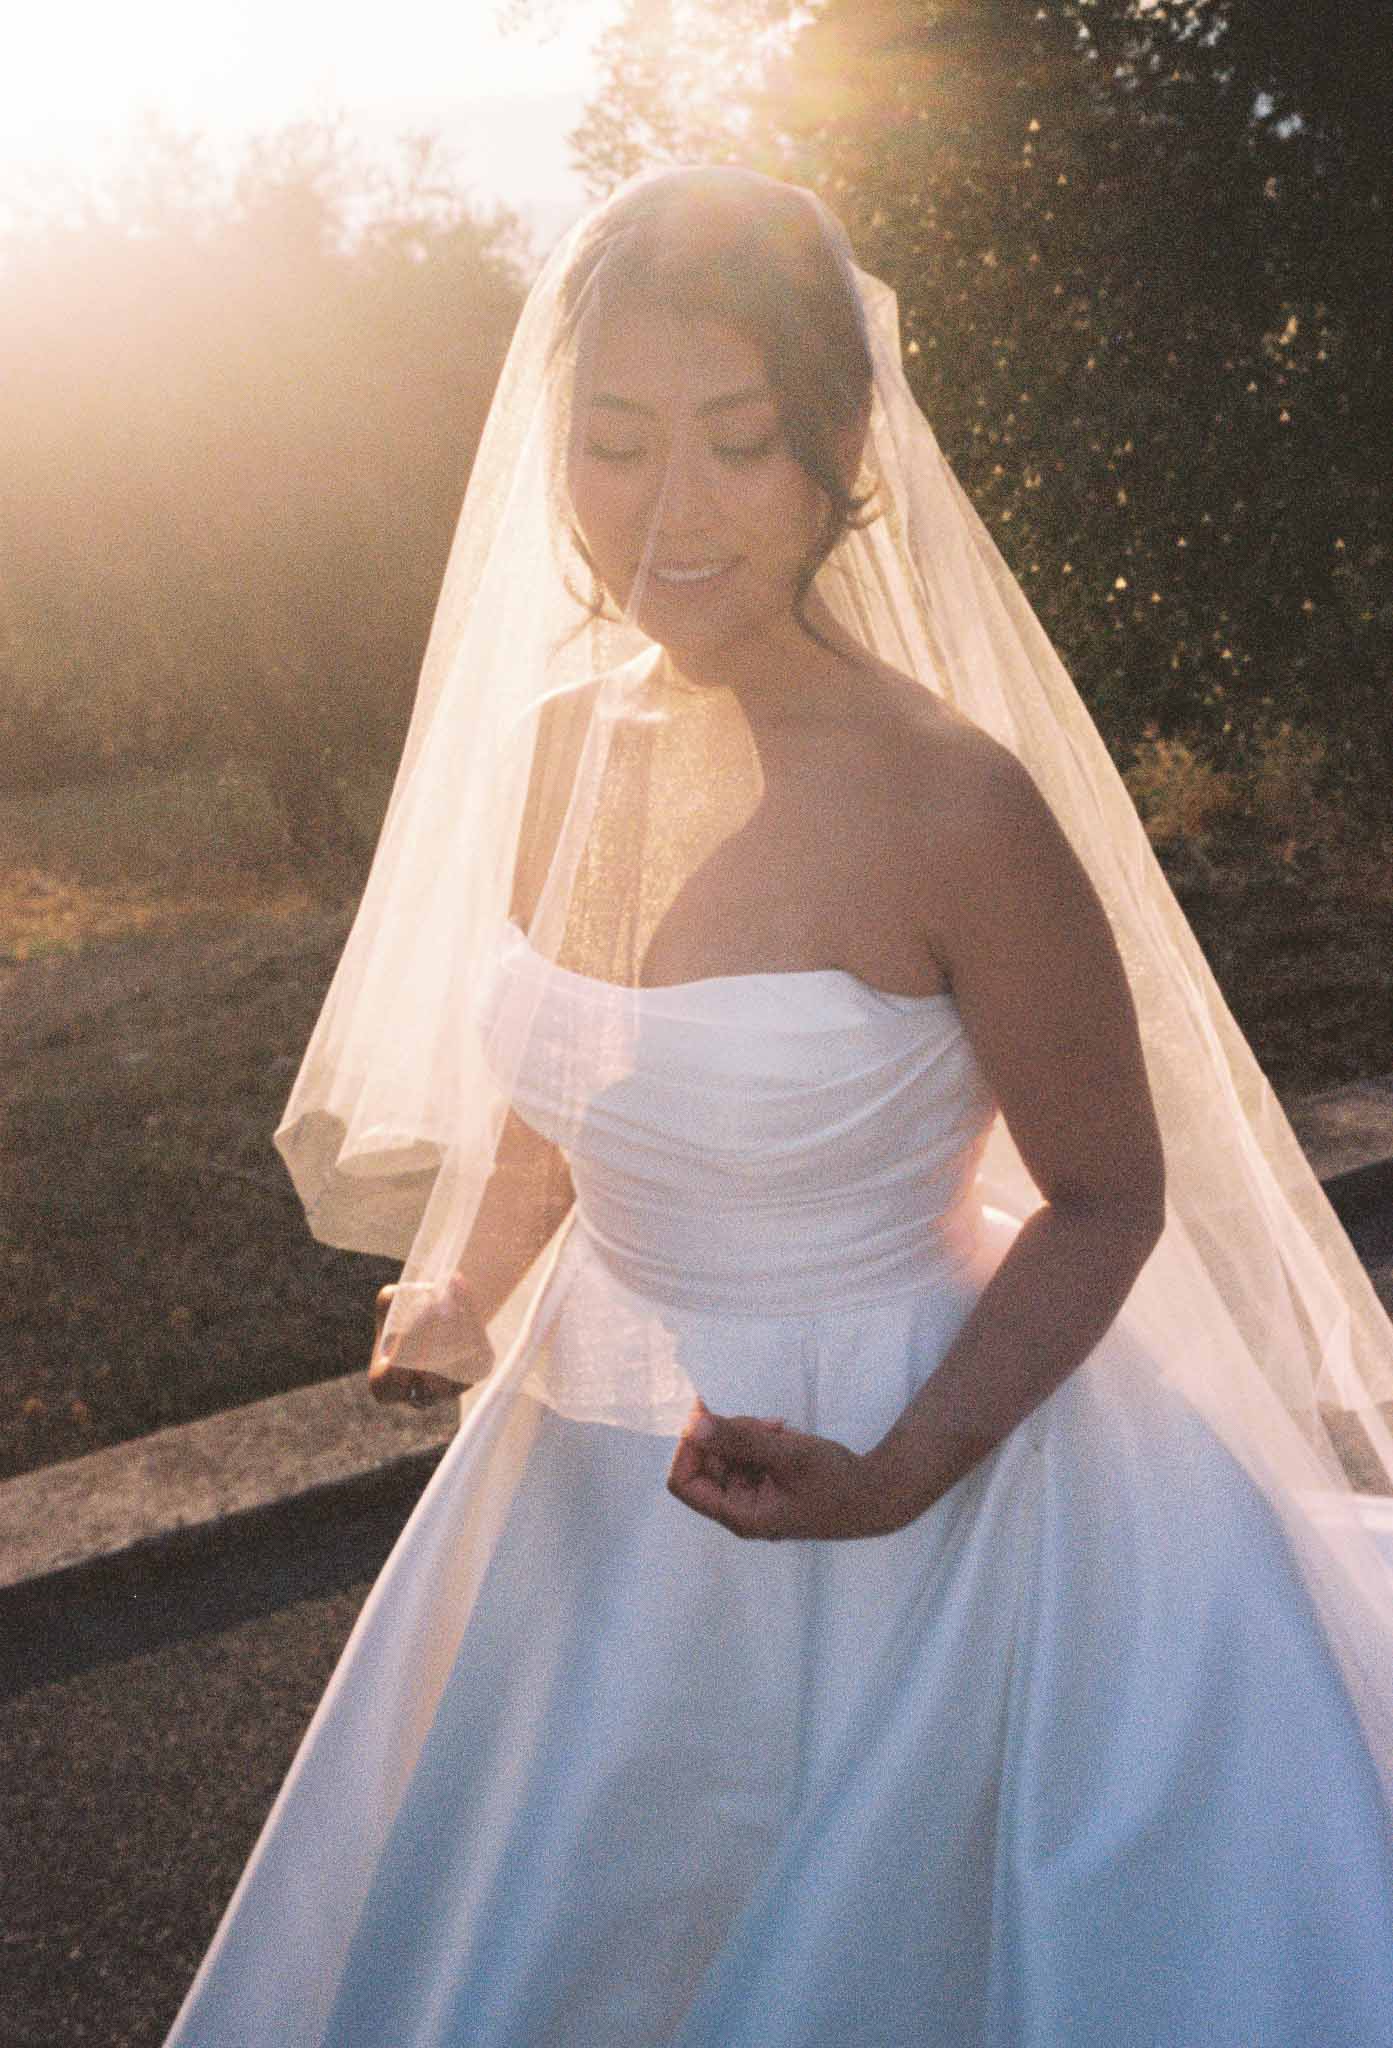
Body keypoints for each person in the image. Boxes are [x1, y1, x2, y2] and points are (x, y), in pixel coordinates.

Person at [165, 167, 1393, 2047]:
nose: (666, 510)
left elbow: (1104, 1200)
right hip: (594, 1453)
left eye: (733, 444)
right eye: (614, 445)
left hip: (923, 1454)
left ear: (837, 453)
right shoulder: (554, 751)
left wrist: (901, 1476)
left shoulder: (952, 800)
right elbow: (563, 1100)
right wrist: (463, 1291)